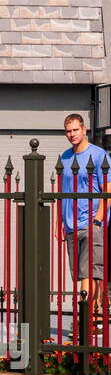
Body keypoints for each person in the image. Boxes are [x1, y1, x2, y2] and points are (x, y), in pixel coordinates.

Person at [58, 113, 107, 309]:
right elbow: (63, 193)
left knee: (89, 271)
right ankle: (95, 313)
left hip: (91, 222)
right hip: (70, 224)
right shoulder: (66, 157)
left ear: (84, 130)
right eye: (68, 131)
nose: (72, 134)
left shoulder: (99, 155)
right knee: (82, 273)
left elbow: (108, 190)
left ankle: (86, 318)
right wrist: (60, 223)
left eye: (75, 130)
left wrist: (98, 220)